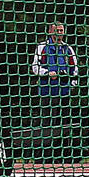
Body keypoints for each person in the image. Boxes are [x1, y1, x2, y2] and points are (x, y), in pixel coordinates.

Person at [32, 22, 79, 162]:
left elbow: (74, 69)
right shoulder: (42, 47)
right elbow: (35, 67)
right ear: (50, 32)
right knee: (47, 123)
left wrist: (71, 84)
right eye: (57, 30)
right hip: (47, 91)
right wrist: (48, 73)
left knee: (64, 123)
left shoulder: (68, 49)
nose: (59, 33)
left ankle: (62, 155)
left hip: (63, 92)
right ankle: (45, 156)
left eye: (61, 30)